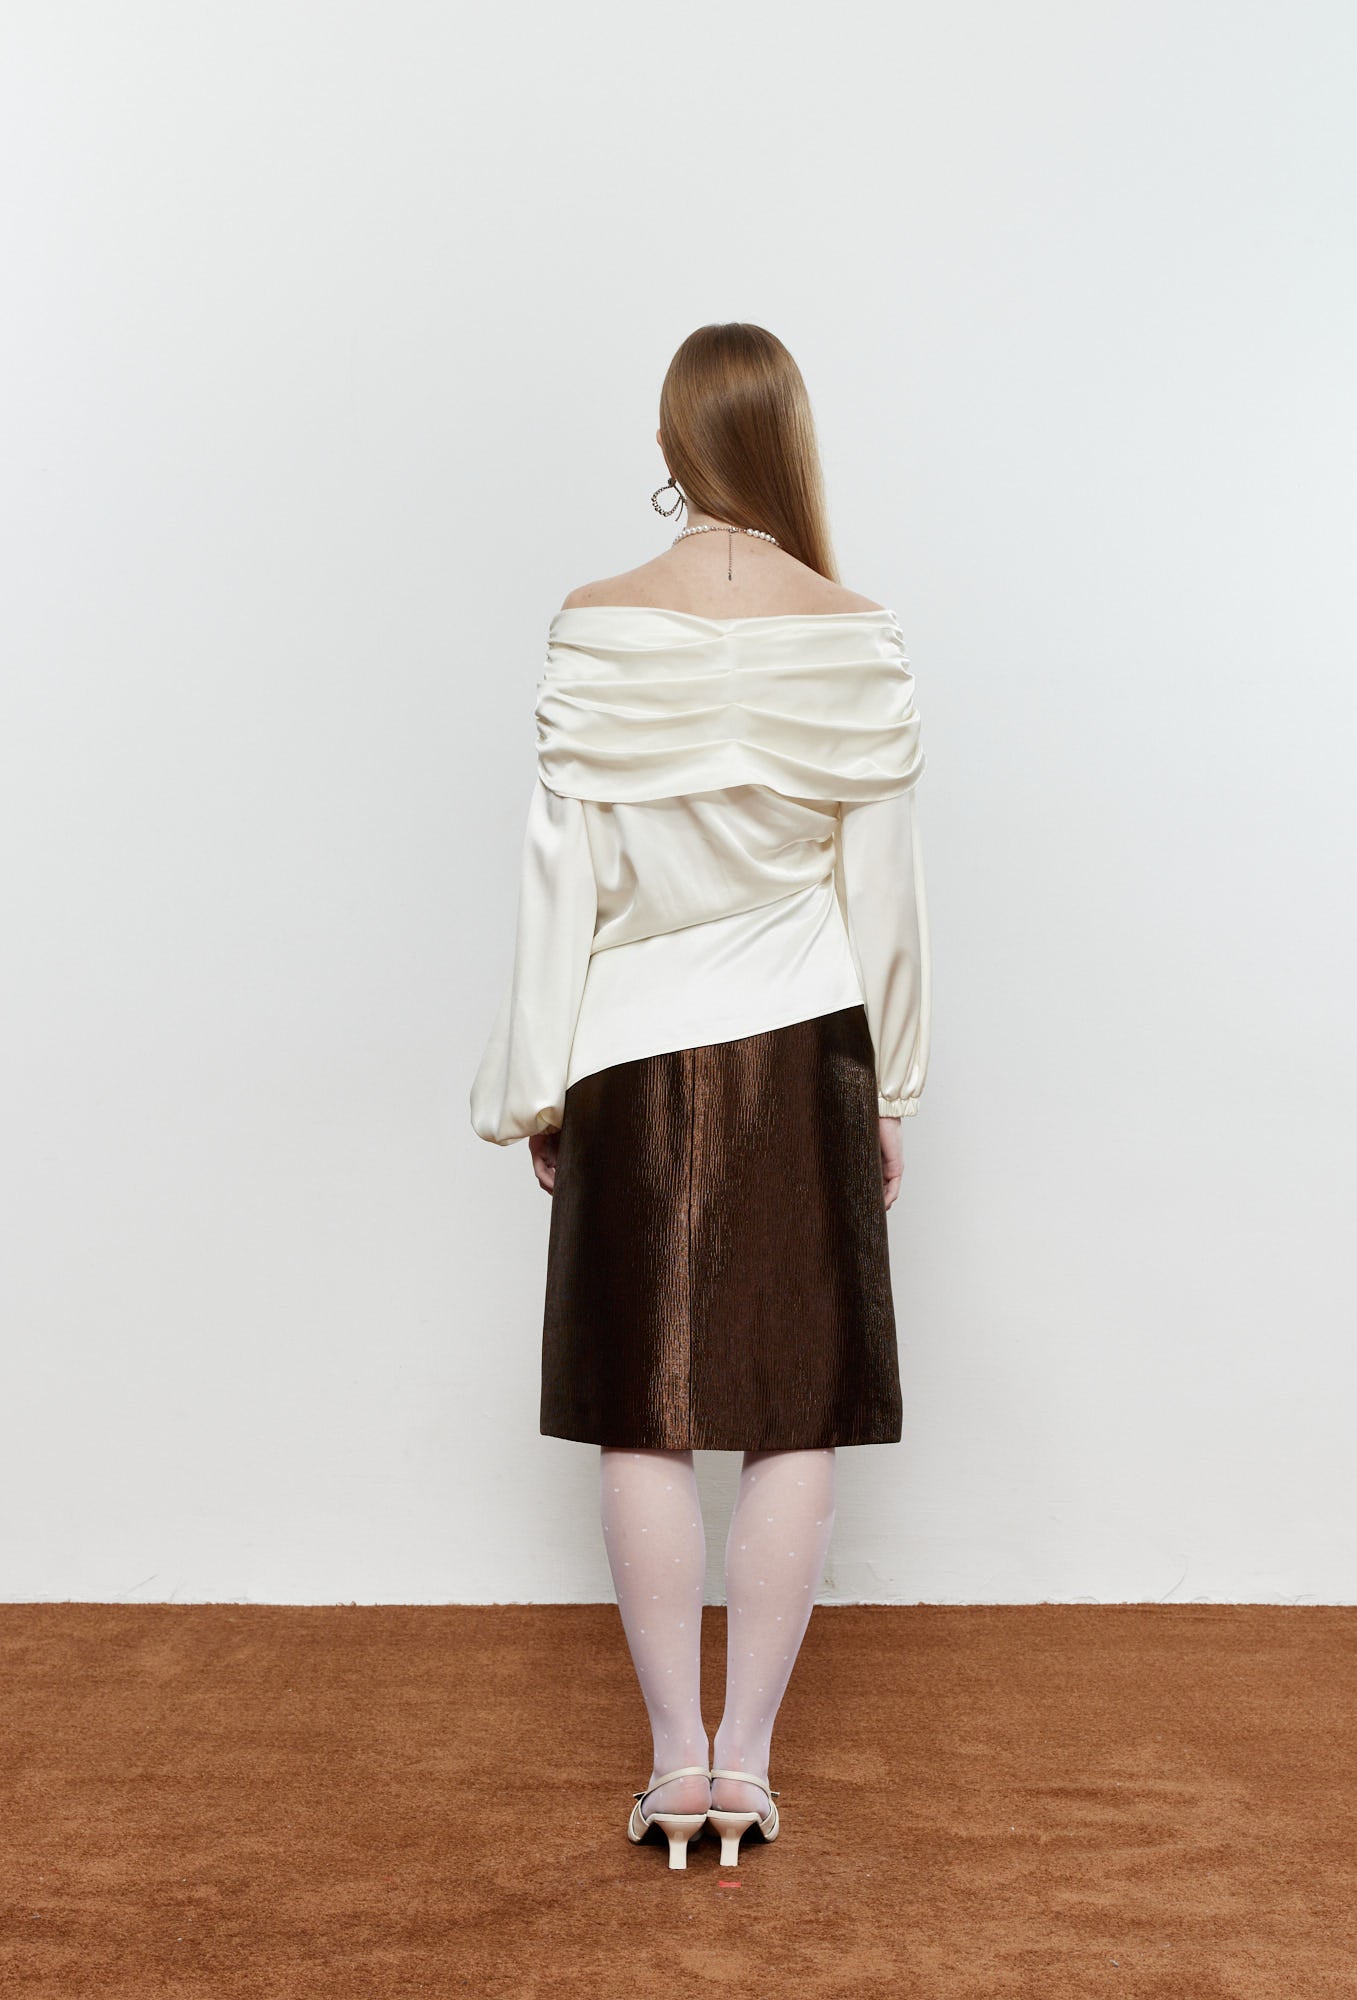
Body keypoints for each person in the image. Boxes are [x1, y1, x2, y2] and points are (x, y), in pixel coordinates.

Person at [469, 321, 931, 1870]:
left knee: (643, 1412)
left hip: (629, 1047)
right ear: (788, 436)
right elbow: (885, 891)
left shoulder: (598, 628)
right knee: (793, 1406)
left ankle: (677, 1765)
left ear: (673, 445)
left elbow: (562, 880)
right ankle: (753, 1765)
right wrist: (892, 1085)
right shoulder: (852, 632)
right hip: (805, 1038)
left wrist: (538, 1080)